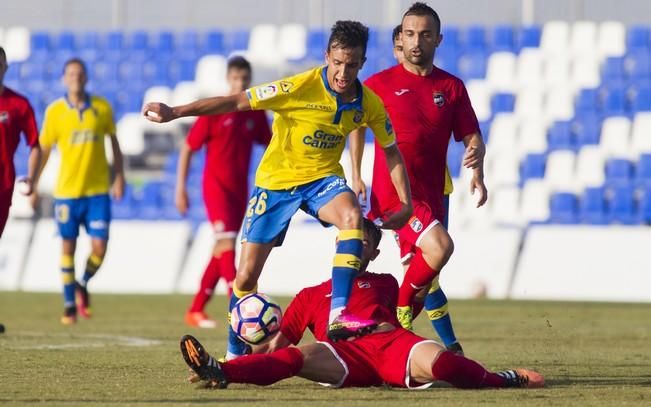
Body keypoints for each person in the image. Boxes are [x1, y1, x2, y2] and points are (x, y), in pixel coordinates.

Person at [144, 21, 413, 357]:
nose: (343, 73)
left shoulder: (368, 103)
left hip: (322, 180)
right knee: (244, 278)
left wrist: (406, 201)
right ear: (327, 55)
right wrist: (175, 112)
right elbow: (236, 102)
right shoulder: (298, 87)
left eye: (352, 65)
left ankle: (338, 314)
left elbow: (391, 150)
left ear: (362, 62)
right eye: (338, 63)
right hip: (276, 184)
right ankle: (234, 356)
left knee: (351, 216)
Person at [178, 219, 544, 390]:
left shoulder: (385, 282)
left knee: (446, 364)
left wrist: (429, 262)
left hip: (389, 344)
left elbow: (412, 300)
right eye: (343, 238)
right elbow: (278, 346)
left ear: (372, 250)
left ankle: (501, 380)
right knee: (294, 359)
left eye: (359, 240)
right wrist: (240, 351)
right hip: (341, 355)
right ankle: (221, 372)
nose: (348, 244)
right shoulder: (309, 295)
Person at [349, 2, 487, 334]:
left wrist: (477, 164)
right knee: (439, 248)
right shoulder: (378, 84)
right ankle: (397, 318)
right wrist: (356, 174)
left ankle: (388, 336)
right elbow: (356, 125)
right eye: (409, 33)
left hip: (433, 193)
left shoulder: (451, 87)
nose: (415, 41)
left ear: (438, 39)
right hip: (395, 194)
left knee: (426, 275)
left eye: (424, 35)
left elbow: (472, 136)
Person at [176, 56, 272, 329]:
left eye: (244, 80)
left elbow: (270, 144)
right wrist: (181, 188)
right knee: (228, 244)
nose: (239, 84)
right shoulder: (215, 110)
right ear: (228, 79)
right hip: (215, 186)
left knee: (221, 249)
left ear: (249, 81)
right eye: (235, 79)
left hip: (240, 189)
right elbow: (188, 148)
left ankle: (196, 309)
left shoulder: (254, 113)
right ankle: (237, 306)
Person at [32, 58, 125, 325]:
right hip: (67, 193)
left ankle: (83, 282)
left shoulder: (102, 107)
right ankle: (69, 305)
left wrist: (119, 176)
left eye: (80, 73)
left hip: (97, 192)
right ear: (64, 78)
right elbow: (46, 149)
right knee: (67, 247)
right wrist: (35, 184)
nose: (76, 77)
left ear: (86, 77)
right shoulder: (55, 112)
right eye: (71, 73)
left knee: (99, 247)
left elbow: (114, 143)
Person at [0, 46, 41, 238]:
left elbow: (34, 145)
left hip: (4, 183)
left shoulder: (19, 104)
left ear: (6, 67)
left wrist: (32, 177)